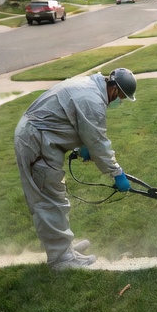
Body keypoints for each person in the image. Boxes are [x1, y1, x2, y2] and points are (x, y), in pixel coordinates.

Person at [13, 68, 137, 271]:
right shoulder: (93, 102)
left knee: (56, 197)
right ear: (114, 89)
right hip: (35, 142)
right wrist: (117, 174)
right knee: (50, 200)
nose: (119, 102)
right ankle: (60, 259)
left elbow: (65, 118)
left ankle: (64, 248)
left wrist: (81, 147)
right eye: (121, 98)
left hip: (40, 136)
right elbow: (99, 145)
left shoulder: (89, 86)